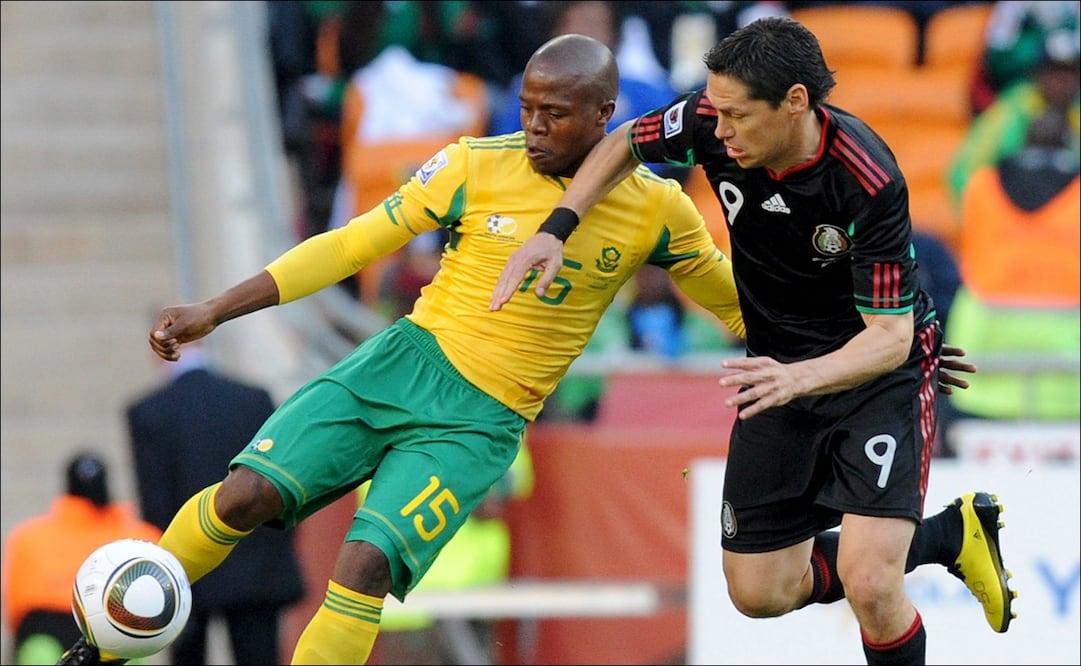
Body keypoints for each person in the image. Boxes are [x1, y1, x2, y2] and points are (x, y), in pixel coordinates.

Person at [55, 33, 749, 666]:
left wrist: (832, 347)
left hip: (479, 420)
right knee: (246, 494)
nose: (533, 126)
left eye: (555, 113)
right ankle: (103, 645)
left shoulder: (658, 209)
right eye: (527, 107)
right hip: (400, 363)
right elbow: (351, 244)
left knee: (364, 565)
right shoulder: (475, 165)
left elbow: (735, 305)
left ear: (604, 114)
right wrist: (216, 309)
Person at [489, 16, 1015, 665]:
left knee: (872, 583)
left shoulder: (865, 177)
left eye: (737, 115)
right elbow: (626, 139)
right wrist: (557, 225)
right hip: (780, 370)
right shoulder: (711, 120)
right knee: (760, 592)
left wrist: (809, 373)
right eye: (715, 111)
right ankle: (949, 536)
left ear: (795, 101)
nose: (719, 129)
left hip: (874, 376)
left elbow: (886, 337)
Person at [124, 343, 306, 665]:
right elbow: (279, 484)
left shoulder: (148, 412)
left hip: (188, 574)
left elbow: (155, 507)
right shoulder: (254, 399)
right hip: (257, 571)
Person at [2, 452, 161, 665]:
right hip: (51, 628)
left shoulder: (140, 538)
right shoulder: (29, 538)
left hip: (114, 630)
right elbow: (20, 609)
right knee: (39, 652)